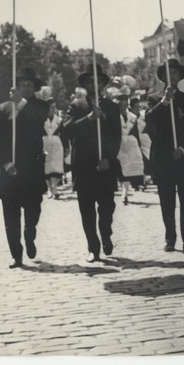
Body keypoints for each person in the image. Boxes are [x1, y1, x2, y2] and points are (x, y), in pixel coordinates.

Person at [62, 65, 122, 262]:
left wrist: (108, 158)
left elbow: (116, 137)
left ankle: (105, 233)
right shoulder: (76, 106)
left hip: (105, 164)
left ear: (103, 84)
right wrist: (89, 118)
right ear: (85, 85)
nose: (93, 84)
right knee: (86, 209)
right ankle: (93, 247)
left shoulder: (112, 107)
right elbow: (67, 130)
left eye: (97, 80)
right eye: (89, 81)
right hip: (83, 165)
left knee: (107, 206)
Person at [0, 68, 48, 268]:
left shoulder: (41, 107)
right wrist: (5, 163)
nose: (26, 88)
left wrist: (21, 104)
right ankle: (16, 254)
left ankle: (30, 233)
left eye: (29, 85)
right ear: (16, 87)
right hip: (10, 170)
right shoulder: (3, 109)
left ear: (34, 89)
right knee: (10, 215)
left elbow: (37, 122)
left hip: (32, 169)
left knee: (33, 209)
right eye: (23, 84)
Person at [145, 59, 184, 255]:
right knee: (166, 200)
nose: (173, 76)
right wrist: (164, 102)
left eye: (176, 73)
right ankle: (170, 237)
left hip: (182, 156)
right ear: (162, 77)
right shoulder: (153, 99)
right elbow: (149, 120)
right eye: (169, 73)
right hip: (162, 157)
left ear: (180, 75)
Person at [116, 94, 145, 205]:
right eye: (120, 105)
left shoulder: (132, 117)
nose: (123, 107)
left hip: (130, 145)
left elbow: (136, 132)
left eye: (125, 105)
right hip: (119, 145)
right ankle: (123, 192)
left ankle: (125, 194)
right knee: (121, 170)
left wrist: (138, 146)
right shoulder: (114, 116)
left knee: (128, 170)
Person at [40, 87, 65, 199]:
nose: (52, 110)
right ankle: (50, 189)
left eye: (53, 107)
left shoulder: (59, 120)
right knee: (46, 167)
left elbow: (63, 134)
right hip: (44, 143)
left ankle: (54, 187)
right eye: (50, 108)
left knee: (56, 166)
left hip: (56, 144)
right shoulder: (41, 119)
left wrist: (66, 146)